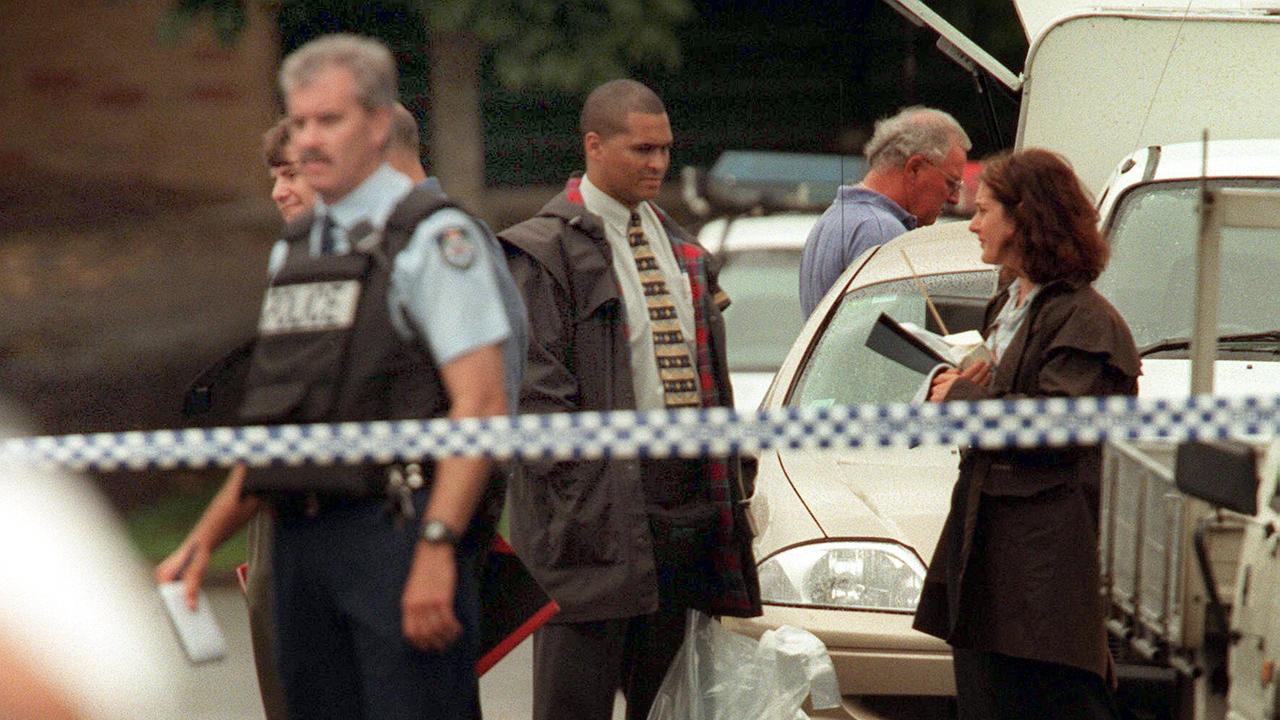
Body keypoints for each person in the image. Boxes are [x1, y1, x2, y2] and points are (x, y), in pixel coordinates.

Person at [499, 78, 762, 720]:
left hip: (684, 513)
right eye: (642, 149)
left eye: (666, 149)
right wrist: (588, 502)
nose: (658, 164)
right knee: (574, 708)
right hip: (589, 522)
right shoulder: (543, 250)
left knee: (670, 708)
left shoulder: (681, 247)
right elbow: (538, 400)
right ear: (593, 146)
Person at [912, 148, 1141, 719]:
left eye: (984, 209)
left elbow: (1054, 428)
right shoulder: (1009, 304)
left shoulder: (1087, 320)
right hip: (988, 556)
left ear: (1022, 218)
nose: (971, 222)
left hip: (1041, 574)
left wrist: (966, 397)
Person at [155, 116, 312, 720]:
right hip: (286, 511)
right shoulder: (289, 259)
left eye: (293, 173)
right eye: (275, 175)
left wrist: (202, 539)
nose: (278, 191)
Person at [799, 106, 971, 316]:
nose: (954, 199)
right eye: (951, 183)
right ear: (914, 168)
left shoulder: (834, 217)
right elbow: (893, 337)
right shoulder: (881, 230)